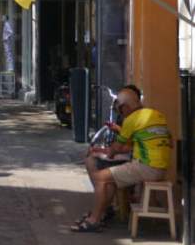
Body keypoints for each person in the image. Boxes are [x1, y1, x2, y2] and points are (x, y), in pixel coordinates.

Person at [72, 87, 172, 232]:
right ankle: (101, 213)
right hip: (161, 168)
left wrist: (107, 152)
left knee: (100, 177)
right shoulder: (156, 115)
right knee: (109, 178)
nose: (120, 112)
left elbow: (117, 148)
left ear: (125, 107)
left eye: (120, 108)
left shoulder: (132, 119)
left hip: (147, 167)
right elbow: (169, 142)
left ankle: (94, 219)